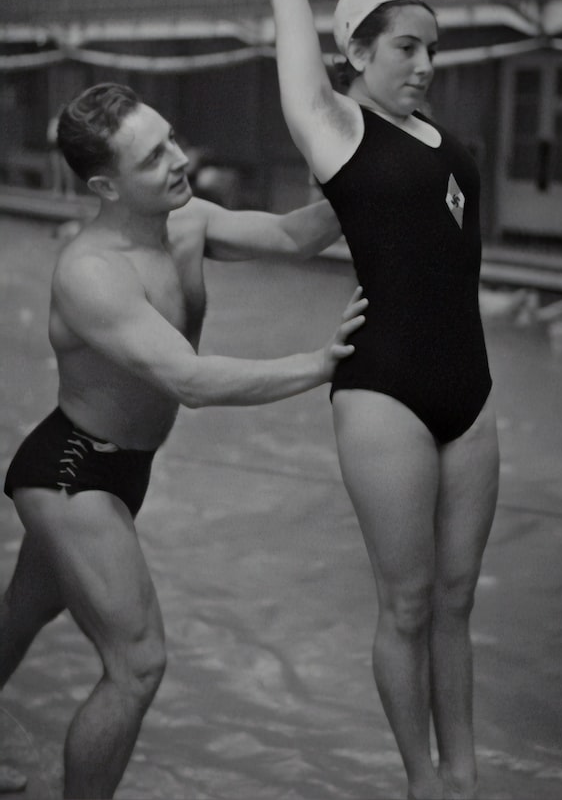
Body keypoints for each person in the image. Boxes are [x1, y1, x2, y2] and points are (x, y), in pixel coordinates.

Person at [0, 81, 367, 800]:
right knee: (137, 663)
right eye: (151, 157)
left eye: (170, 138)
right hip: (74, 473)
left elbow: (296, 235)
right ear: (106, 184)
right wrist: (318, 364)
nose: (177, 158)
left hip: (120, 468)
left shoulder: (188, 220)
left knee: (23, 610)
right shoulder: (91, 273)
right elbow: (190, 380)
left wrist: (368, 171)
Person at [232, 0, 500, 800]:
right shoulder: (335, 126)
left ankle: (466, 777)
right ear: (357, 58)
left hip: (471, 393)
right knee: (409, 601)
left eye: (430, 48)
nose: (425, 64)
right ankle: (424, 780)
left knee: (459, 601)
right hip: (385, 389)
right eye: (406, 52)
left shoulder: (426, 124)